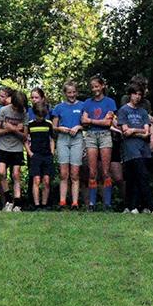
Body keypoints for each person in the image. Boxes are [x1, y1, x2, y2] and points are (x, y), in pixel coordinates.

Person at [80, 75, 117, 211]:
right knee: (92, 172)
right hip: (90, 136)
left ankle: (107, 204)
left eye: (97, 86)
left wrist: (91, 120)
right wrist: (98, 121)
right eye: (92, 87)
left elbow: (108, 123)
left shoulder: (110, 102)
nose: (95, 89)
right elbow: (83, 121)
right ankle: (92, 204)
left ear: (102, 86)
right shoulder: (87, 103)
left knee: (106, 172)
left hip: (105, 136)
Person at [116, 83, 153, 213]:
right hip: (129, 149)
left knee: (141, 176)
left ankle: (136, 207)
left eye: (139, 94)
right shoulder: (123, 110)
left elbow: (147, 132)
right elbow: (125, 131)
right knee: (134, 177)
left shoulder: (143, 111)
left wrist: (133, 130)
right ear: (130, 95)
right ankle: (147, 206)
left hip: (143, 149)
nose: (137, 97)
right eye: (135, 94)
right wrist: (138, 131)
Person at [50, 81, 85, 210]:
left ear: (77, 92)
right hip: (63, 139)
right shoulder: (59, 107)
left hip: (77, 139)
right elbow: (54, 127)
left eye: (74, 92)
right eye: (69, 92)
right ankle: (62, 201)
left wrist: (78, 127)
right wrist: (61, 128)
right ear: (65, 93)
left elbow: (87, 124)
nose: (72, 95)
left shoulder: (82, 105)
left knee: (75, 173)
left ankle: (75, 203)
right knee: (63, 173)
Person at [0, 86, 28, 212]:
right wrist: (10, 129)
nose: (18, 109)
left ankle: (17, 203)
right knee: (2, 173)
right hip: (3, 146)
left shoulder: (24, 113)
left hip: (16, 148)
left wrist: (14, 130)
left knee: (16, 174)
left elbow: (25, 136)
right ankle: (8, 200)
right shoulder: (3, 110)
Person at [26, 88, 54, 211]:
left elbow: (52, 139)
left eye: (42, 115)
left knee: (46, 180)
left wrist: (52, 152)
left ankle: (45, 204)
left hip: (47, 155)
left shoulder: (48, 124)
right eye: (38, 115)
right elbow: (25, 139)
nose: (40, 117)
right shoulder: (30, 124)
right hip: (35, 155)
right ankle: (36, 204)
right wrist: (30, 153)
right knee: (36, 179)